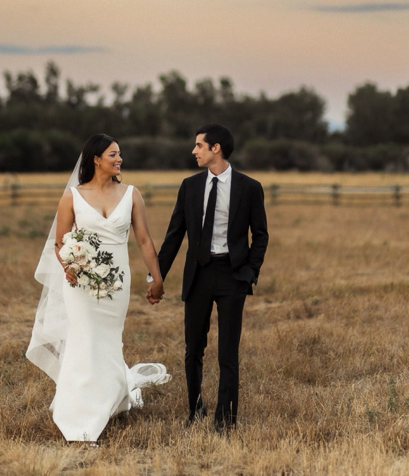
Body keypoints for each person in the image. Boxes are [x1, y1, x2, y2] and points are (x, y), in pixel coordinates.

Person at [26, 134, 170, 444]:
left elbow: (144, 239)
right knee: (84, 340)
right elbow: (60, 241)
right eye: (113, 154)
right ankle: (78, 414)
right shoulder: (72, 197)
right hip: (80, 282)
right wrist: (71, 268)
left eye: (119, 154)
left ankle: (110, 397)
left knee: (108, 340)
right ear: (96, 159)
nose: (119, 159)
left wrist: (156, 278)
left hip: (117, 282)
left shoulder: (132, 194)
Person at [156, 124, 269, 431]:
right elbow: (174, 236)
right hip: (199, 274)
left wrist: (249, 273)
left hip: (233, 276)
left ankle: (226, 416)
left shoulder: (249, 187)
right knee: (193, 348)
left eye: (199, 146)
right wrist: (158, 276)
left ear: (215, 148)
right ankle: (195, 409)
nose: (194, 151)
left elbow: (260, 236)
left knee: (228, 351)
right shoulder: (189, 186)